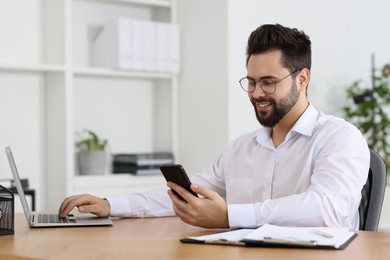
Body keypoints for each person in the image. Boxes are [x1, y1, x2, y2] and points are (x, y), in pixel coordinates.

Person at [59, 24, 370, 230]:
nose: (256, 92)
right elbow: (188, 193)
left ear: (302, 79)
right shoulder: (242, 149)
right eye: (251, 81)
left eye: (268, 82)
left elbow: (326, 209)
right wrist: (111, 204)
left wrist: (228, 215)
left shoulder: (339, 138)